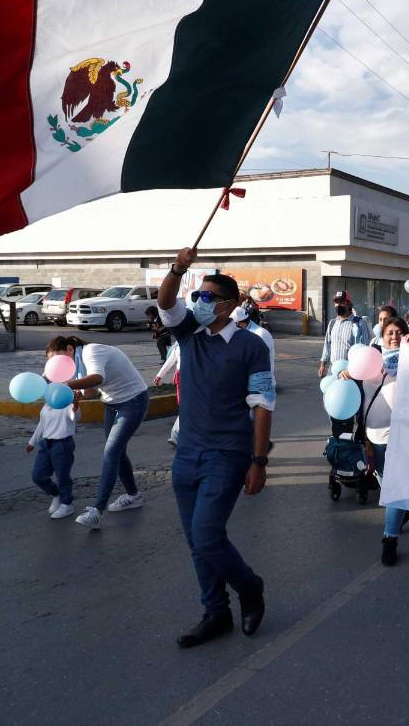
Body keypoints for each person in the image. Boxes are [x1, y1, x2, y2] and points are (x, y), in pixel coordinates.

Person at [159, 248, 274, 648]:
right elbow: (165, 302)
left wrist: (259, 461)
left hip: (227, 454)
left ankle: (249, 587)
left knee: (207, 536)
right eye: (198, 296)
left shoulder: (250, 346)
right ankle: (216, 611)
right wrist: (178, 268)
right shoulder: (188, 333)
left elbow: (262, 406)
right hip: (187, 453)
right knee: (196, 540)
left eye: (207, 298)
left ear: (230, 305)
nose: (199, 303)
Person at [47, 336, 149, 529]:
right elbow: (91, 391)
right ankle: (134, 496)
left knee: (111, 452)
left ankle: (97, 511)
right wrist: (75, 396)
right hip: (112, 404)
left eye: (58, 359)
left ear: (70, 348)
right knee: (118, 453)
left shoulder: (91, 351)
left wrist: (68, 385)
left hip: (133, 401)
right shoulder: (75, 366)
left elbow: (97, 378)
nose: (58, 365)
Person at [352, 317, 409, 566]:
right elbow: (356, 391)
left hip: (400, 435)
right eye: (390, 332)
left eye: (399, 332)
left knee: (393, 489)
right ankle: (401, 513)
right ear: (382, 334)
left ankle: (390, 540)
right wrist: (347, 374)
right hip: (371, 434)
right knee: (381, 480)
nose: (394, 336)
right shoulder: (370, 358)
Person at [26, 398, 77, 520]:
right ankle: (56, 493)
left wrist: (76, 404)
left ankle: (67, 504)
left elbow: (74, 416)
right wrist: (32, 442)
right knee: (38, 475)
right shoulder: (47, 404)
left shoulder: (67, 403)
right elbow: (42, 424)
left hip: (62, 444)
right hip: (46, 444)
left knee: (63, 476)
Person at [318, 291, 368, 379]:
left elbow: (363, 349)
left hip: (349, 370)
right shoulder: (332, 323)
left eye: (342, 302)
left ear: (348, 304)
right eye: (336, 302)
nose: (338, 305)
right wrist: (323, 365)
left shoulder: (359, 323)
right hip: (332, 368)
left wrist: (356, 369)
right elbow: (327, 344)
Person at [155, 343, 181, 446]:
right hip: (182, 378)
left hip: (197, 377)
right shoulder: (178, 346)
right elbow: (170, 361)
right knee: (184, 406)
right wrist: (159, 375)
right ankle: (176, 435)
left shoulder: (198, 340)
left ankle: (176, 435)